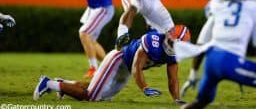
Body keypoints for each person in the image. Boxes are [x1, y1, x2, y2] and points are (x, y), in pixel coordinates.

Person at [33, 25, 190, 104]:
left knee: (101, 96)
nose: (171, 46)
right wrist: (145, 88)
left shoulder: (174, 55)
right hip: (119, 60)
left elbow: (173, 79)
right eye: (171, 41)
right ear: (167, 34)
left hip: (126, 69)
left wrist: (176, 100)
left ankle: (63, 84)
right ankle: (48, 83)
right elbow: (137, 67)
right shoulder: (153, 41)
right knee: (92, 96)